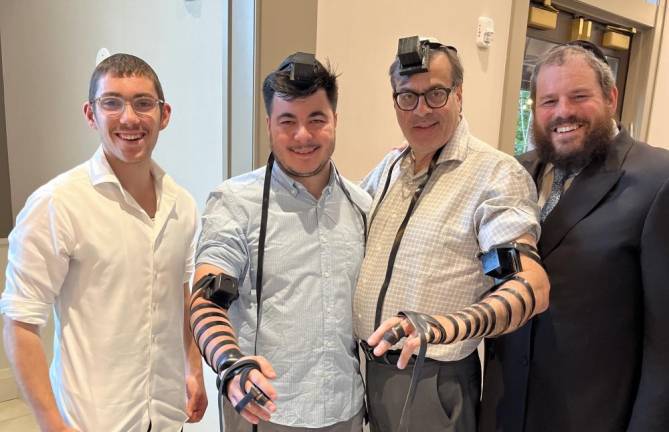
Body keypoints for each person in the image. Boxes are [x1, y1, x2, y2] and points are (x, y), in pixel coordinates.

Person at [0, 53, 207, 432]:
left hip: (165, 417)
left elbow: (181, 294)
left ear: (164, 115)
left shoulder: (183, 205)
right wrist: (50, 423)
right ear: (91, 114)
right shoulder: (57, 204)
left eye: (143, 103)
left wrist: (193, 368)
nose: (129, 117)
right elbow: (19, 322)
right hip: (90, 422)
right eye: (112, 102)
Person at [353, 37, 550, 432]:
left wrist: (445, 326)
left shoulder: (496, 175)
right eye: (407, 97)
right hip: (366, 371)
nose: (421, 109)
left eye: (436, 94)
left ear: (459, 95)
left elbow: (529, 284)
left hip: (431, 379)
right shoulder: (390, 167)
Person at [479, 43, 669, 432]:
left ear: (611, 97)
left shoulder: (658, 180)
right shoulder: (514, 173)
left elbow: (665, 343)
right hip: (504, 409)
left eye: (579, 96)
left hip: (591, 415)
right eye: (549, 101)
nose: (563, 112)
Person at [189, 52, 368, 432]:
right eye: (288, 121)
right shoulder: (234, 202)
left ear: (335, 120)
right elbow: (206, 298)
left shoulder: (362, 205)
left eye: (316, 119)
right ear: (269, 124)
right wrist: (230, 365)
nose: (302, 135)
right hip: (264, 410)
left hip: (345, 410)